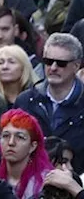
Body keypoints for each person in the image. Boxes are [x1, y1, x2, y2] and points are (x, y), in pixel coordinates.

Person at [12, 33, 84, 170]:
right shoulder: (25, 101)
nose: (53, 67)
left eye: (61, 63)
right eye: (48, 61)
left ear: (76, 65)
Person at [0, 109, 53, 199]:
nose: (11, 142)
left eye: (20, 137)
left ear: (32, 146)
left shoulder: (46, 182)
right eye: (6, 136)